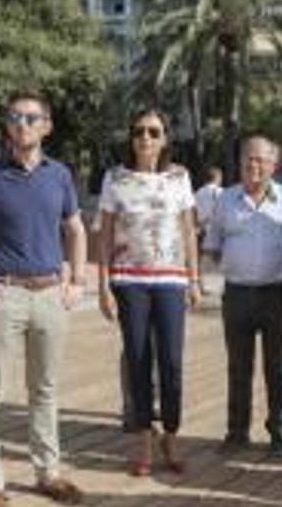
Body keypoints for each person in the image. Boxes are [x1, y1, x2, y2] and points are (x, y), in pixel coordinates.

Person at [0, 90, 88, 506]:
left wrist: (77, 280)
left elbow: (76, 229)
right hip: (3, 293)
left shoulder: (60, 175)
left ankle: (48, 472)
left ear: (47, 125)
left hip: (50, 293)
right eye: (15, 117)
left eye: (32, 118)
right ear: (7, 125)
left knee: (45, 389)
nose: (23, 124)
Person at [97, 109, 202, 476]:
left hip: (171, 280)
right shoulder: (115, 177)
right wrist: (103, 285)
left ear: (165, 138)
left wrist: (195, 279)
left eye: (154, 132)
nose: (145, 138)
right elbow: (106, 233)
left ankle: (171, 436)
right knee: (139, 360)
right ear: (131, 137)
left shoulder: (180, 177)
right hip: (129, 281)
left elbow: (188, 231)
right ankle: (144, 440)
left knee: (172, 362)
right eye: (139, 131)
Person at [203, 136, 282, 458]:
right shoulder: (225, 200)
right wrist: (237, 267)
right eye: (248, 158)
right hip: (237, 294)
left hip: (279, 293)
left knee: (279, 367)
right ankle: (237, 432)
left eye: (261, 159)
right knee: (238, 366)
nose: (253, 165)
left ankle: (279, 434)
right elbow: (213, 247)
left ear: (274, 165)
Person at [194, 166, 224, 294]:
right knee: (225, 259)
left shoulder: (198, 192)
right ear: (217, 178)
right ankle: (227, 286)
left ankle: (200, 286)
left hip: (201, 228)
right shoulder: (221, 192)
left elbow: (194, 212)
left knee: (199, 260)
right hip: (217, 229)